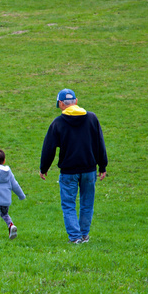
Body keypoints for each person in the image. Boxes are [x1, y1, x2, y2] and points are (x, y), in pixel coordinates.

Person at [39, 89, 108, 244]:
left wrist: (44, 168)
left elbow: (49, 148)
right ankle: (84, 235)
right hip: (89, 169)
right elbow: (99, 143)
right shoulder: (92, 118)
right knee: (87, 203)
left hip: (68, 171)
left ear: (61, 104)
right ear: (76, 101)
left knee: (69, 204)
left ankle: (75, 237)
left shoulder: (58, 123)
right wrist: (102, 166)